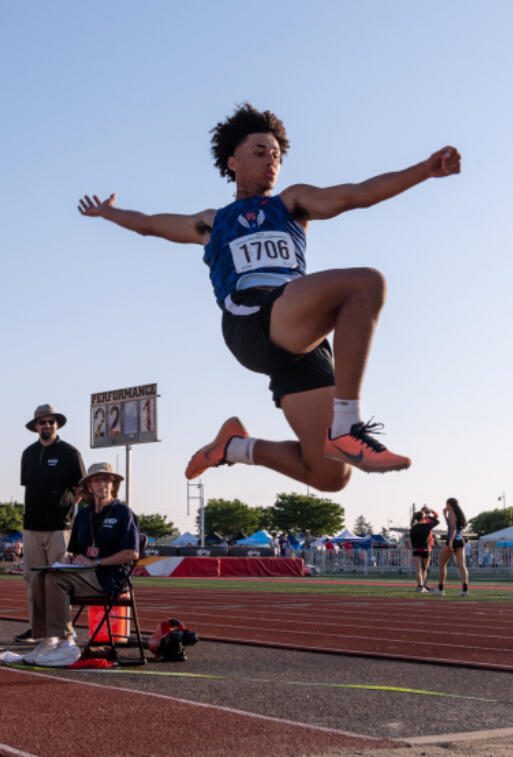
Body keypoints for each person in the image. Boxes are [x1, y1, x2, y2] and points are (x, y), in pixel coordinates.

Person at [78, 103, 461, 491]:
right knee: (366, 283)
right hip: (250, 320)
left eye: (276, 155)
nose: (270, 162)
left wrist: (424, 171)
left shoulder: (292, 204)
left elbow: (357, 194)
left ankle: (235, 447)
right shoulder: (213, 222)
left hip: (299, 333)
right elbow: (147, 225)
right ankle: (347, 425)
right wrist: (109, 213)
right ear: (232, 162)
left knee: (329, 475)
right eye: (259, 153)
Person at [24, 463, 141, 667]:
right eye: (97, 479)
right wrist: (71, 559)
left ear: (113, 485)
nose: (102, 484)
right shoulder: (83, 515)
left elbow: (132, 553)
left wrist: (96, 561)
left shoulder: (123, 513)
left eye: (107, 479)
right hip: (84, 574)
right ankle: (47, 641)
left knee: (54, 580)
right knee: (38, 577)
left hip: (110, 578)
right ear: (88, 485)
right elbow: (76, 551)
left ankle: (67, 643)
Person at [16, 404, 85, 644]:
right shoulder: (28, 453)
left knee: (59, 580)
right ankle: (37, 629)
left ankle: (65, 631)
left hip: (59, 526)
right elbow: (29, 486)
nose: (46, 426)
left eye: (50, 422)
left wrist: (66, 509)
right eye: (42, 422)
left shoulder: (69, 452)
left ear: (57, 424)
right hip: (32, 526)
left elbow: (81, 487)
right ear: (35, 426)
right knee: (34, 581)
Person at [435, 498, 470, 596]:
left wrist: (450, 542)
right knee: (462, 566)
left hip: (452, 539)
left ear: (449, 504)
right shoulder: (458, 513)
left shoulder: (452, 513)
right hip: (460, 540)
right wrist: (444, 515)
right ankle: (465, 590)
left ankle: (440, 589)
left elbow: (453, 528)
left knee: (442, 563)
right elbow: (452, 525)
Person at [408, 507, 439, 593]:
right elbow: (437, 521)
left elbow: (412, 541)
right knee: (424, 569)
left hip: (416, 550)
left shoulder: (413, 528)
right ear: (423, 518)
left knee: (418, 569)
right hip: (425, 549)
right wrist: (428, 516)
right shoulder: (427, 526)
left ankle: (420, 586)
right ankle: (422, 586)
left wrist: (423, 516)